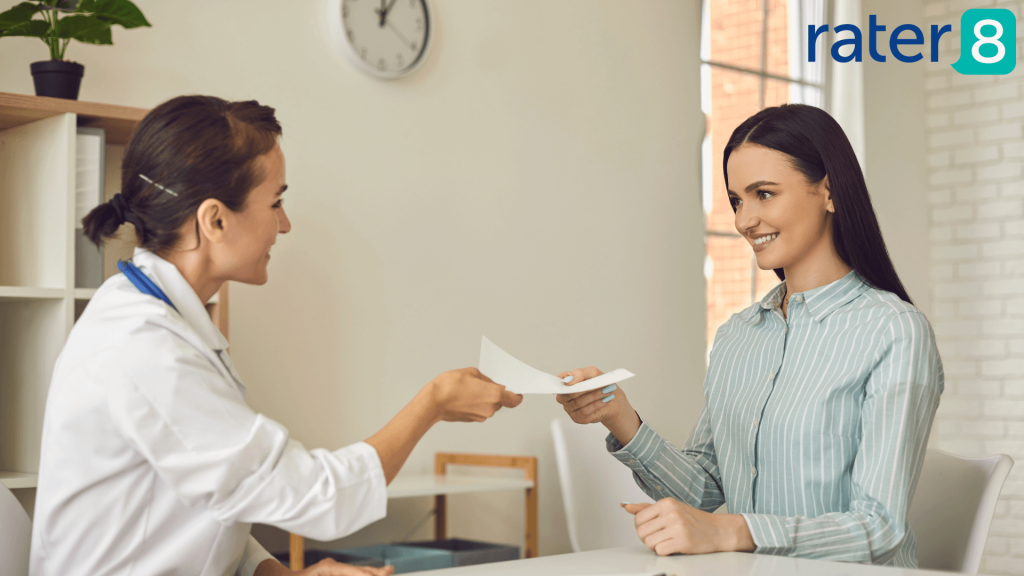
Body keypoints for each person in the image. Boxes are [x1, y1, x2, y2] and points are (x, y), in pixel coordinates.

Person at [29, 95, 523, 576]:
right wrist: (432, 403)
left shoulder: (162, 320)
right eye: (276, 201)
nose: (284, 225)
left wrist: (276, 572)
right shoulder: (145, 350)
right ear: (215, 219)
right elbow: (316, 497)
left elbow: (209, 494)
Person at [556, 104, 943, 568]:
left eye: (764, 194)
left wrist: (733, 530)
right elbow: (701, 489)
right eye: (738, 200)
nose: (743, 221)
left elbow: (878, 527)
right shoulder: (738, 335)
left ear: (829, 192)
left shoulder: (894, 331)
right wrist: (618, 416)